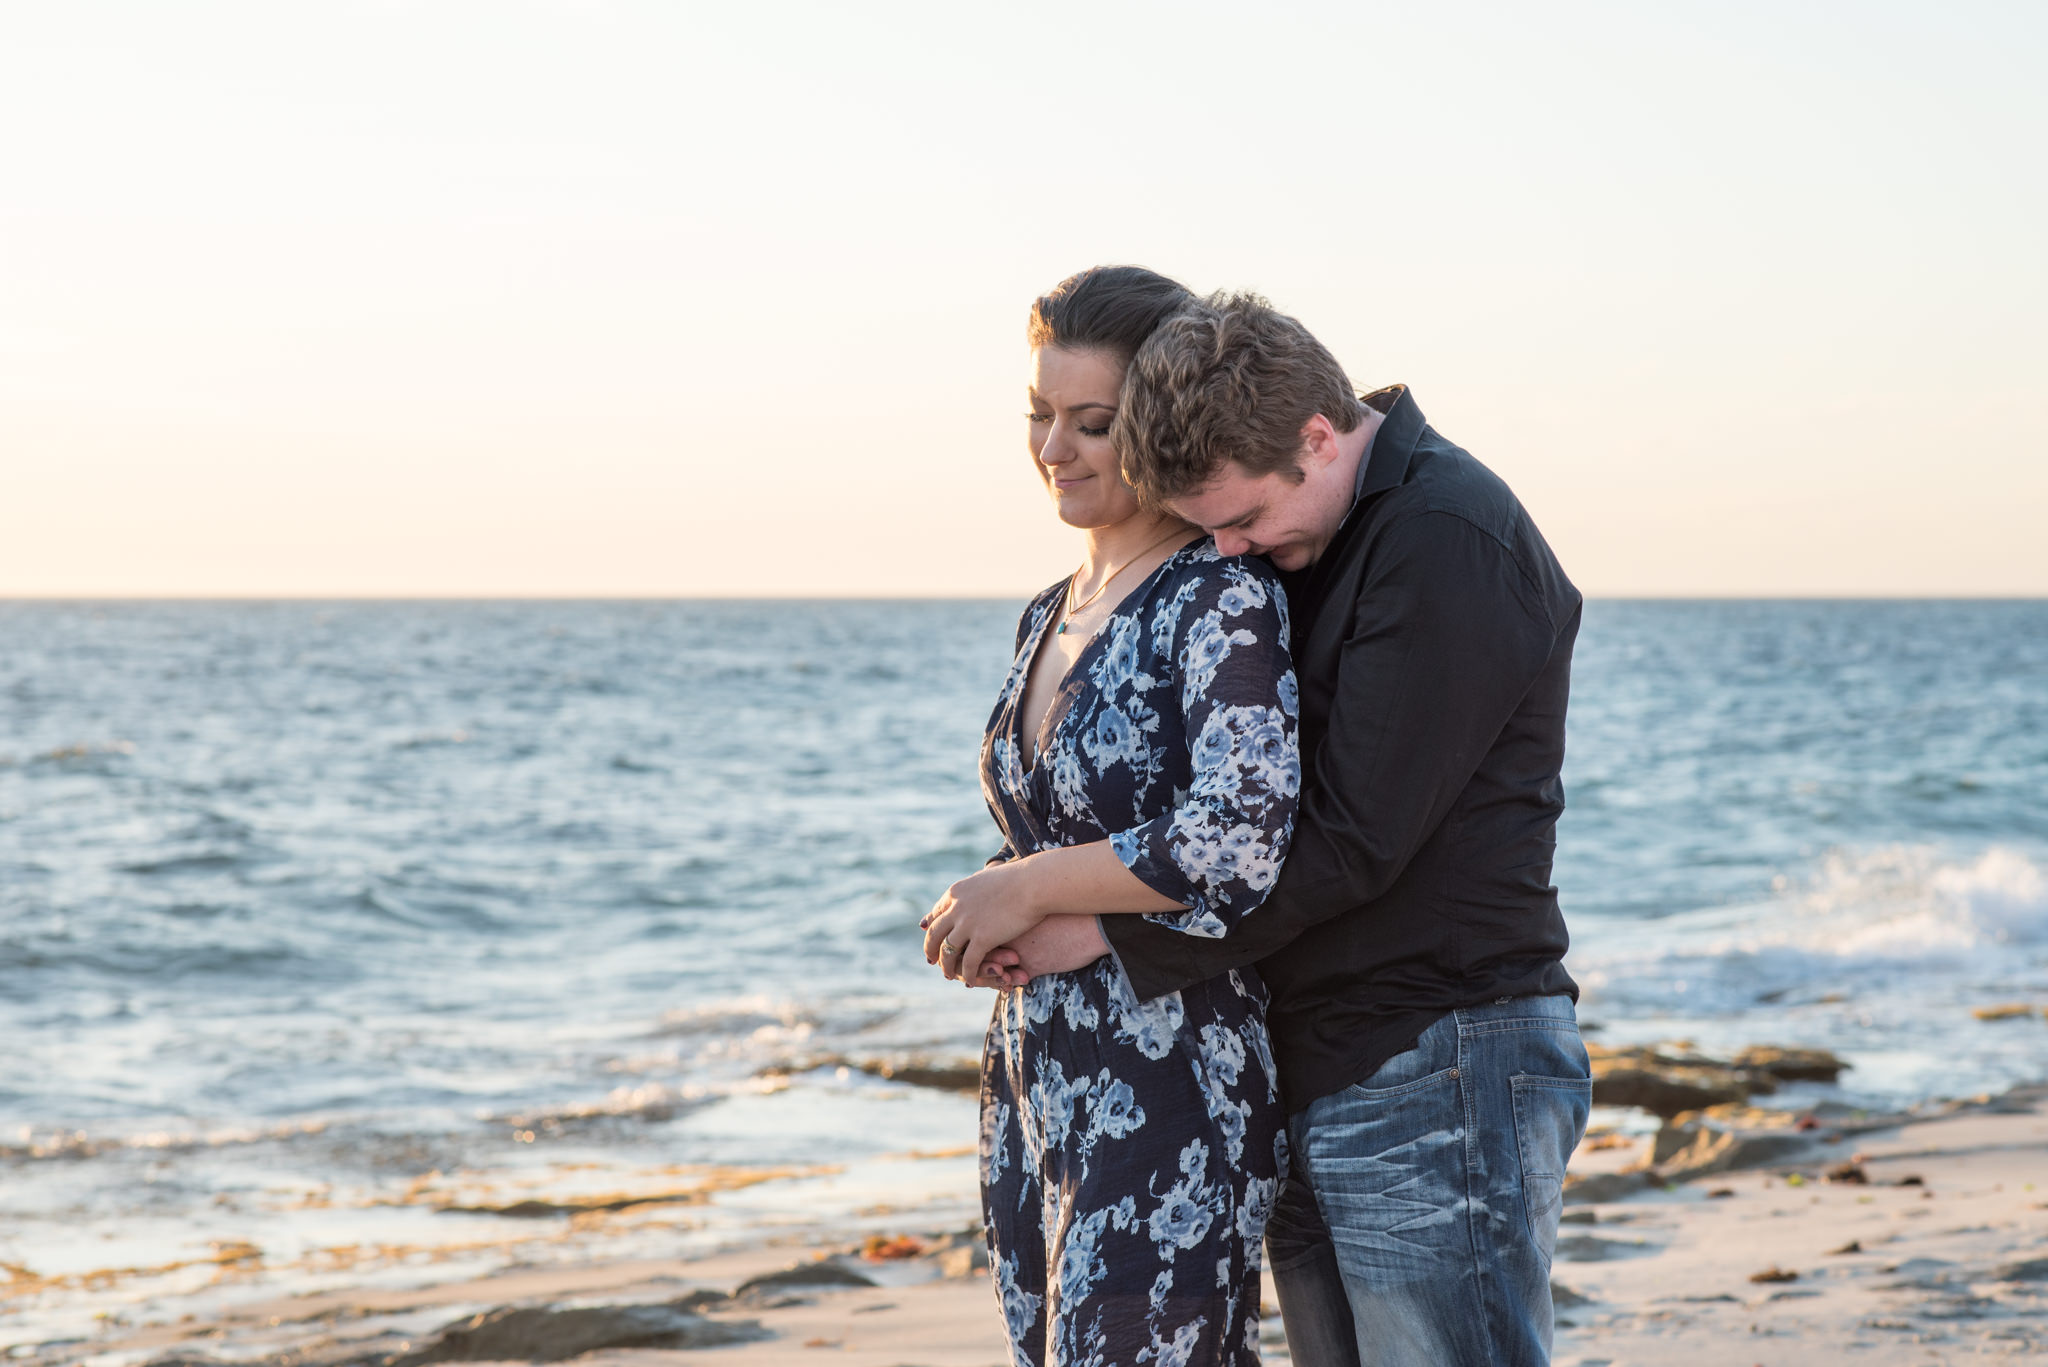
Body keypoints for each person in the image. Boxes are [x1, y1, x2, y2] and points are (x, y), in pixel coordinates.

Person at [980, 290, 1591, 1366]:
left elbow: (1347, 839)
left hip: (1440, 1049)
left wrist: (1101, 927)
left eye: (1244, 520)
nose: (1230, 550)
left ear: (1316, 436)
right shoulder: (1324, 531)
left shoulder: (1443, 535)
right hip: (1328, 1058)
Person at [919, 266, 1302, 1367]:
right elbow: (1052, 822)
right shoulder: (1050, 609)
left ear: (1160, 422)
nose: (1055, 448)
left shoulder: (1216, 593)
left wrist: (1028, 887)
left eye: (1091, 422)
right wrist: (992, 908)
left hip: (1176, 1068)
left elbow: (1238, 832)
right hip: (1041, 1065)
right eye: (1038, 415)